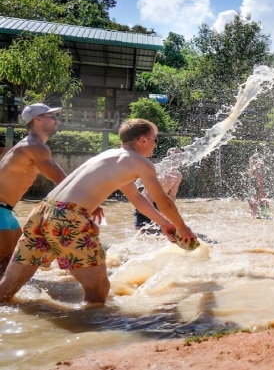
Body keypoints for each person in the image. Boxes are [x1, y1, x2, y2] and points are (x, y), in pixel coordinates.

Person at [0, 118, 196, 304]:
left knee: (7, 288)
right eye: (154, 139)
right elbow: (163, 201)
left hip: (42, 211)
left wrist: (164, 223)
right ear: (142, 139)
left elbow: (137, 198)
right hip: (68, 217)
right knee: (99, 289)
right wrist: (182, 227)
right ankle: (88, 334)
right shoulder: (141, 163)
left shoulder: (108, 155)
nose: (155, 144)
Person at [0, 103, 67, 275]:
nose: (56, 121)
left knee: (13, 268)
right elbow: (61, 180)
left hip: (6, 211)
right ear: (38, 119)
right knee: (8, 270)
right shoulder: (33, 146)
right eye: (51, 117)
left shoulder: (32, 145)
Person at [134, 147, 183, 233]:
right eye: (173, 155)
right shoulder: (158, 170)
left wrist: (171, 211)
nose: (176, 158)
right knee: (141, 232)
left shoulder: (177, 176)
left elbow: (172, 195)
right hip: (145, 202)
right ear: (168, 157)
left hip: (161, 204)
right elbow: (146, 189)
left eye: (179, 156)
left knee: (161, 232)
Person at [248, 154, 269, 218]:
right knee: (255, 200)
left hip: (261, 186)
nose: (259, 163)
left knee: (263, 200)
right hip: (256, 186)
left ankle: (265, 213)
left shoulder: (262, 169)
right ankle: (255, 214)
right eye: (258, 161)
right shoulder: (253, 169)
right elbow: (250, 174)